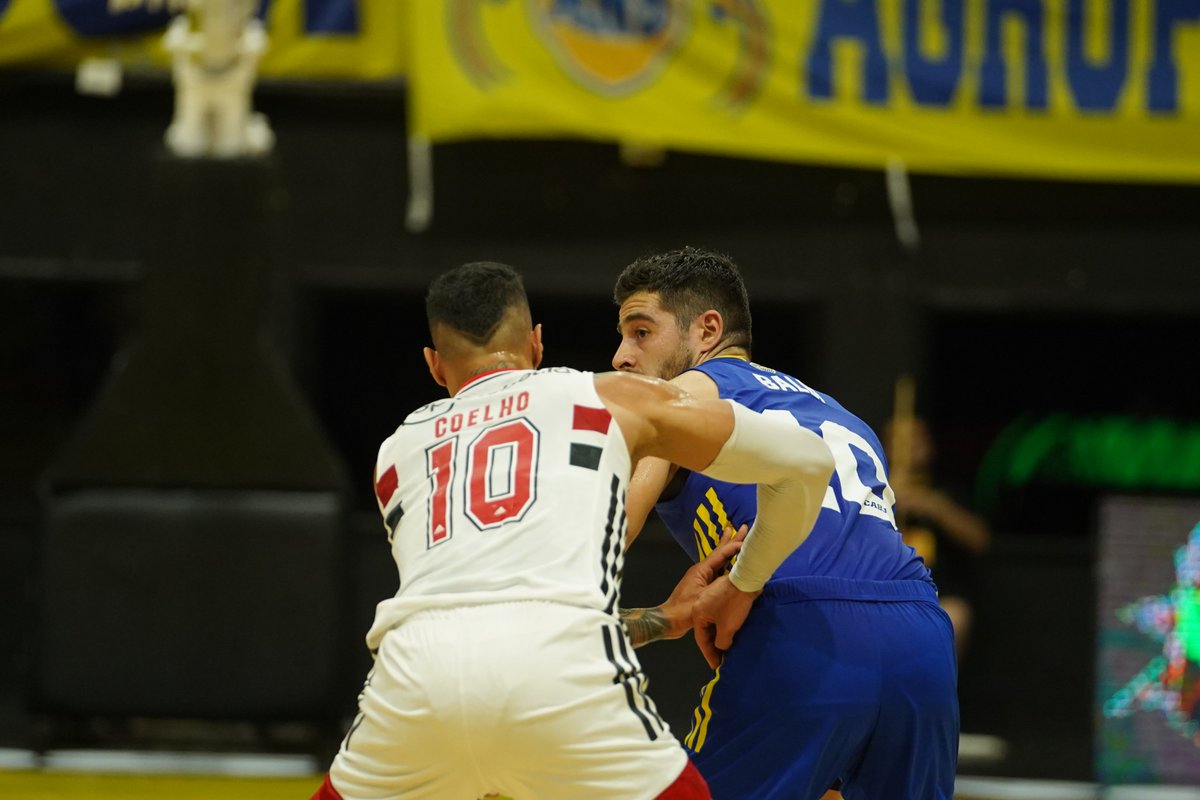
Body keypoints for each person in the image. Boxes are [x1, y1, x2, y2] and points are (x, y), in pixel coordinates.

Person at [311, 261, 835, 800]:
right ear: (536, 344)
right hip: (561, 669)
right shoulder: (607, 397)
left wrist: (666, 618)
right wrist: (745, 580)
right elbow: (810, 461)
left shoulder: (396, 454)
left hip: (413, 676)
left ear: (434, 365)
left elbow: (478, 622)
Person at [611, 247, 959, 800]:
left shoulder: (680, 398)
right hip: (920, 631)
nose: (622, 357)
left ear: (707, 331)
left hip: (799, 618)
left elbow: (609, 533)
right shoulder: (845, 417)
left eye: (641, 332)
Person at [885, 415, 991, 661]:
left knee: (954, 617)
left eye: (916, 439)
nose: (909, 447)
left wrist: (933, 506)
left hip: (938, 597)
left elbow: (980, 541)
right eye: (900, 441)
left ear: (929, 446)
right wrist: (888, 501)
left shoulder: (947, 492)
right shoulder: (871, 490)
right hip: (886, 596)